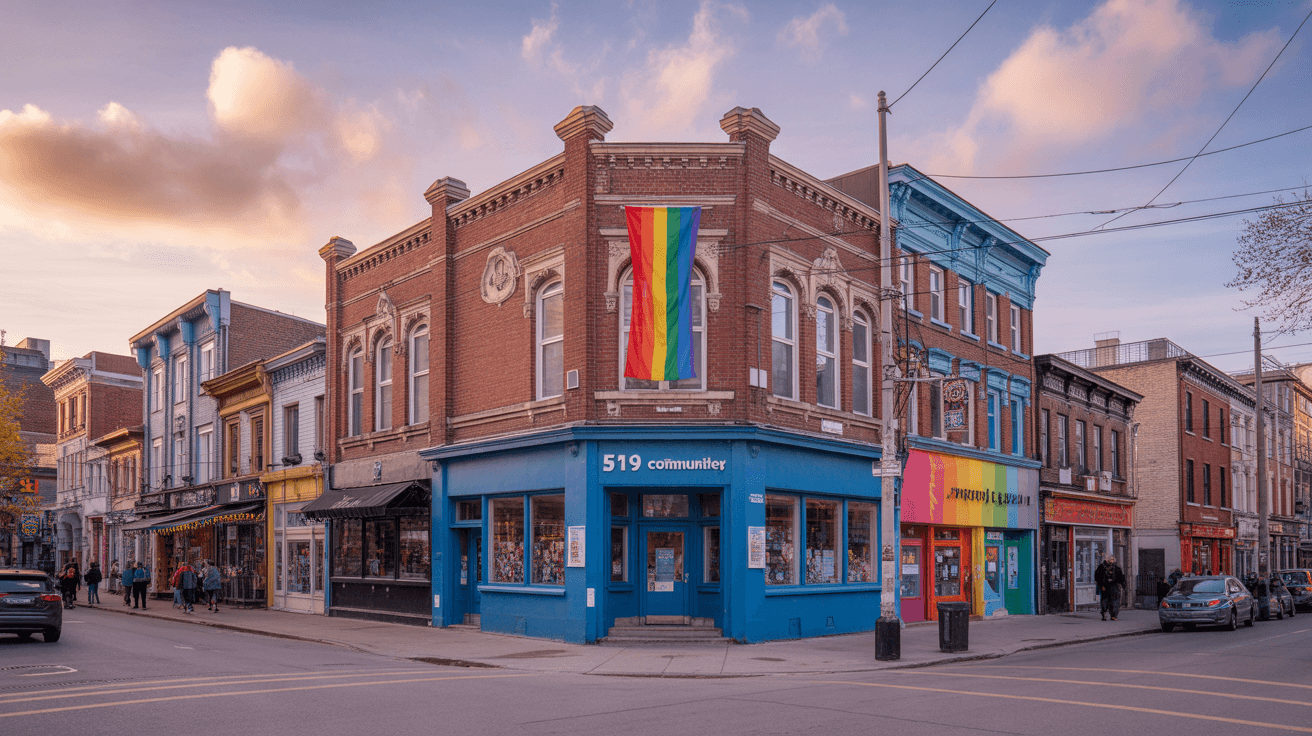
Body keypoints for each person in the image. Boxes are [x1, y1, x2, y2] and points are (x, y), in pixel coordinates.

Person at [1095, 555, 1126, 621]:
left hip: (1113, 586)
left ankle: (1112, 615)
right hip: (1106, 586)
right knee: (1106, 601)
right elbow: (1098, 576)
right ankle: (1105, 614)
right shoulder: (1102, 567)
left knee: (1113, 601)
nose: (1112, 561)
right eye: (1111, 559)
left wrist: (1123, 584)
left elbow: (1121, 577)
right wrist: (1102, 585)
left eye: (1113, 559)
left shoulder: (1116, 568)